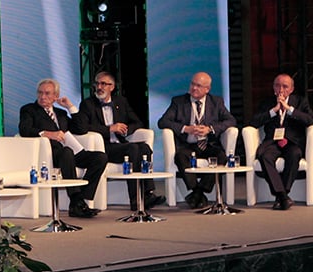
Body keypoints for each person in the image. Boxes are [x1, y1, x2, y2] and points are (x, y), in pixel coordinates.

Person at [74, 71, 166, 211]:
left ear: (112, 87)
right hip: (104, 147)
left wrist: (125, 129)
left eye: (103, 84)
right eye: (97, 83)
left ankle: (147, 193)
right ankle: (136, 199)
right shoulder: (88, 104)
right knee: (132, 149)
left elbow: (137, 122)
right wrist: (110, 128)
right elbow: (83, 127)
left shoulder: (120, 102)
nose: (99, 87)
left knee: (144, 148)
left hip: (119, 144)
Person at [19, 78, 107, 218]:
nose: (43, 97)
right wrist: (47, 134)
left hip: (72, 152)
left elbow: (81, 129)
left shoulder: (61, 114)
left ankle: (81, 199)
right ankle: (76, 201)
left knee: (100, 157)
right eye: (40, 93)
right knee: (66, 152)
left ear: (55, 96)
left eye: (47, 94)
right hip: (50, 154)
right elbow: (24, 130)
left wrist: (70, 107)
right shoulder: (29, 110)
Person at [158, 72, 237, 209]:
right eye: (193, 84)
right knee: (180, 156)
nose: (194, 88)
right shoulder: (178, 102)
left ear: (207, 89)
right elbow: (163, 122)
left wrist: (210, 129)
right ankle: (196, 191)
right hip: (188, 145)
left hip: (208, 144)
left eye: (199, 86)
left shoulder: (216, 102)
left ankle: (199, 192)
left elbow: (231, 120)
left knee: (221, 157)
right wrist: (185, 128)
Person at [248, 74, 313, 210]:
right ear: (273, 88)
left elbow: (309, 120)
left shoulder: (301, 101)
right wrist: (274, 111)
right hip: (273, 142)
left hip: (292, 142)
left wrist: (289, 110)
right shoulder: (267, 102)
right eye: (277, 85)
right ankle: (282, 196)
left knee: (294, 154)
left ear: (292, 89)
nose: (281, 89)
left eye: (285, 86)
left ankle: (281, 195)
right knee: (264, 156)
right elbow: (254, 122)